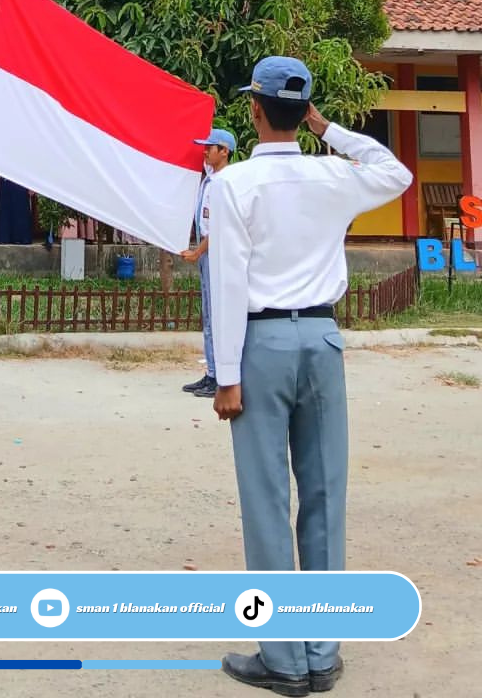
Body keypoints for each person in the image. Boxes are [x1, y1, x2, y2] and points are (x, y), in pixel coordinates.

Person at [209, 57, 412, 696]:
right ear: (304, 112)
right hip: (322, 338)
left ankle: (283, 658)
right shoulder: (333, 175)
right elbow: (397, 172)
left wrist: (226, 374)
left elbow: (228, 282)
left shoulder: (234, 184)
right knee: (324, 493)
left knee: (267, 501)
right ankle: (322, 652)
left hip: (262, 343)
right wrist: (331, 132)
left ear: (253, 109)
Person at [180, 127, 236, 399]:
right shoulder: (210, 180)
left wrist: (197, 252)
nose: (205, 151)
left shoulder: (225, 183)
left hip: (216, 252)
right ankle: (212, 373)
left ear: (224, 152)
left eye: (210, 147)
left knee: (216, 315)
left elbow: (220, 227)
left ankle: (219, 377)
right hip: (207, 250)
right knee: (209, 315)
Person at [0, 177, 34, 244]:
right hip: (6, 179)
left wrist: (32, 185)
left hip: (22, 180)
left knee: (20, 208)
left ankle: (19, 237)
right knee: (5, 208)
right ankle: (4, 237)